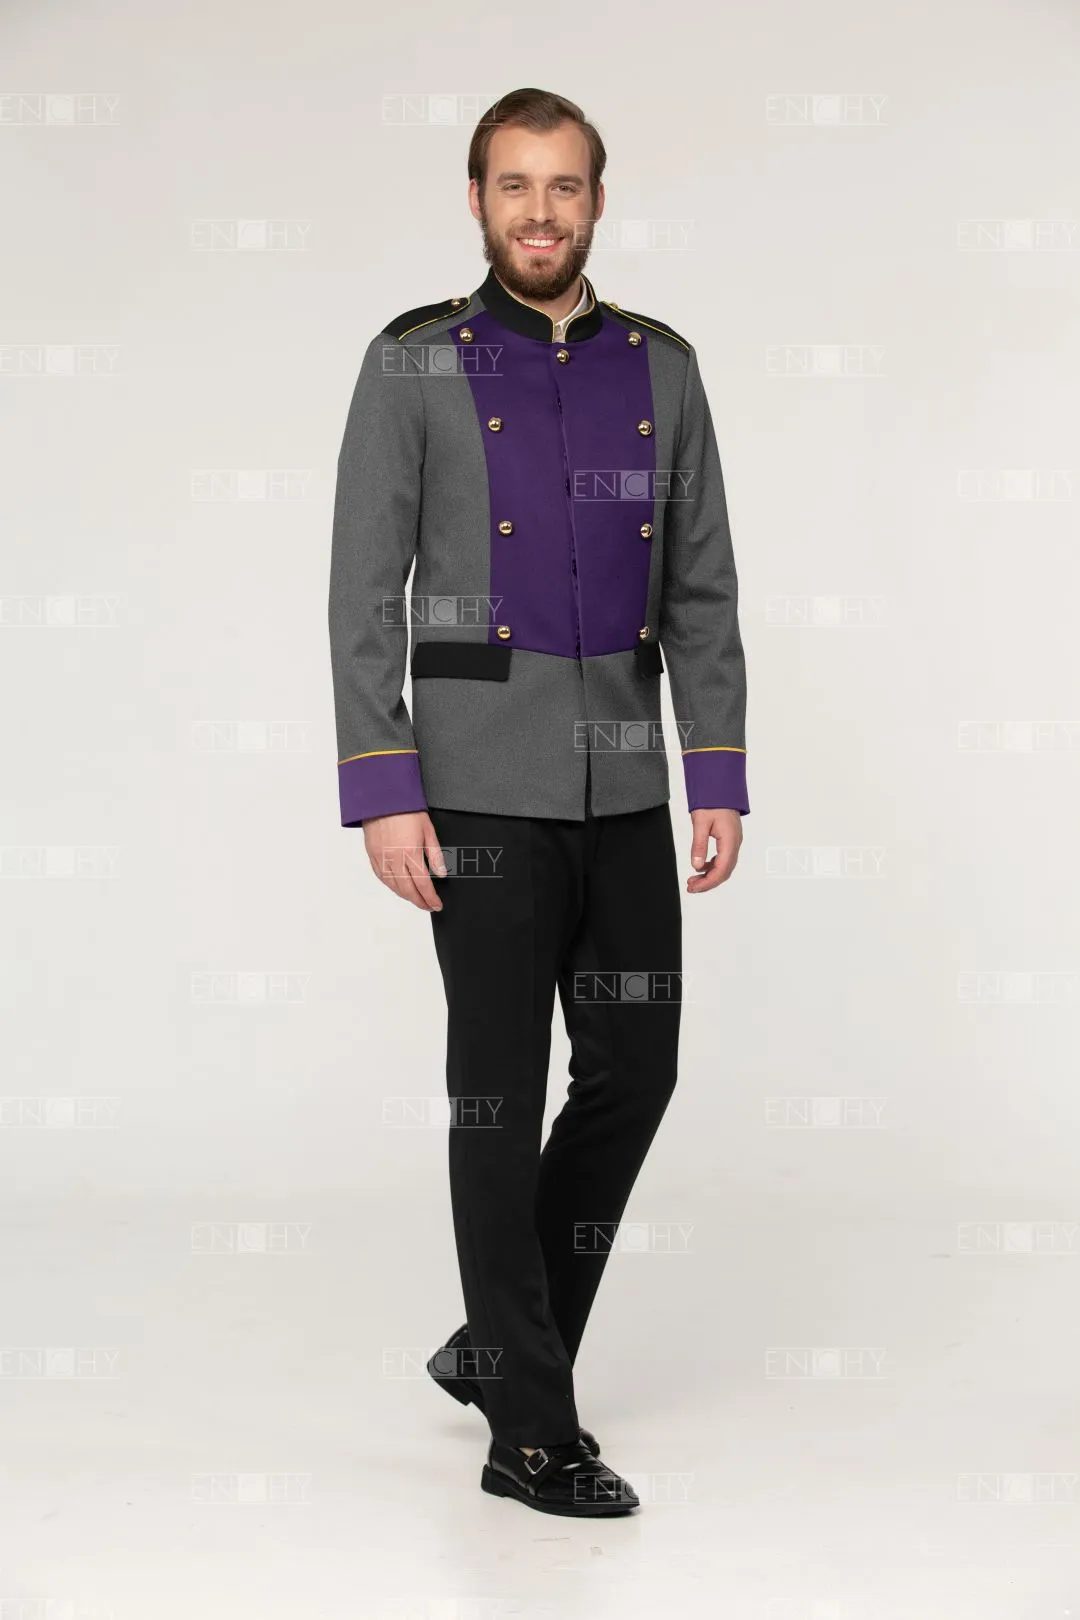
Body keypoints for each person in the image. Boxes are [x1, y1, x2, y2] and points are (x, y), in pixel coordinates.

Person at [328, 87, 748, 1517]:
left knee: (636, 1070)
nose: (540, 211)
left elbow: (700, 586)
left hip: (622, 779)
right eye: (515, 185)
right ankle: (530, 1430)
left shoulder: (662, 367)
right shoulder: (414, 362)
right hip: (477, 786)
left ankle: (498, 1348)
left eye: (564, 186)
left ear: (597, 202)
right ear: (476, 200)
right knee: (500, 1098)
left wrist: (717, 771)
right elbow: (363, 591)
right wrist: (385, 787)